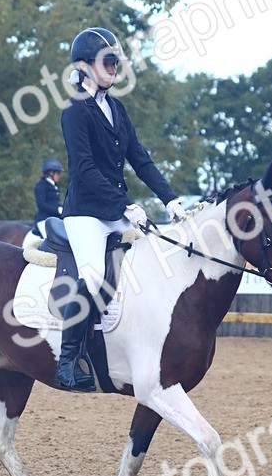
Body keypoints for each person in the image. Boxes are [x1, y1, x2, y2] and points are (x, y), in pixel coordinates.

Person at [55, 26, 187, 392]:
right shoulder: (75, 111)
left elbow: (140, 160)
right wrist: (126, 205)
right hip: (85, 214)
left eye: (116, 61)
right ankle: (67, 362)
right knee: (96, 277)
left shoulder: (117, 108)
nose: (114, 67)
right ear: (84, 66)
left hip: (115, 211)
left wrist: (170, 198)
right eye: (107, 61)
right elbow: (84, 168)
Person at [34, 159, 63, 236]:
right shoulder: (41, 185)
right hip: (44, 220)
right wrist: (58, 210)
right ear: (51, 173)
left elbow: (56, 202)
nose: (59, 175)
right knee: (50, 239)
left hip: (55, 219)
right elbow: (41, 204)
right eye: (58, 173)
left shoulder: (54, 185)